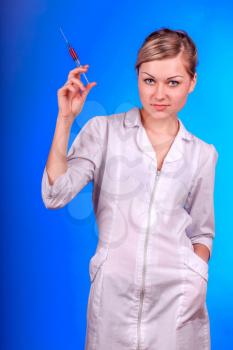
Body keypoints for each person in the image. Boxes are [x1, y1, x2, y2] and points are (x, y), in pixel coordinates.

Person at [41, 27, 219, 350]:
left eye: (173, 82)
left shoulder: (203, 155)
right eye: (149, 80)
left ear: (193, 82)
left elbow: (202, 232)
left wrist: (195, 276)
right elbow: (56, 194)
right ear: (138, 76)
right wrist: (64, 120)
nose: (159, 94)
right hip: (113, 303)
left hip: (177, 303)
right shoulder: (104, 133)